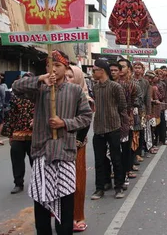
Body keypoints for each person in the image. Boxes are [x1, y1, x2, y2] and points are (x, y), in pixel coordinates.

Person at [12, 50, 92, 235]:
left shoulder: (75, 91)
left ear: (66, 68)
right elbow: (16, 87)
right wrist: (40, 79)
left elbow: (86, 117)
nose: (53, 69)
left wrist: (64, 123)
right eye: (50, 65)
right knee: (41, 201)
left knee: (65, 201)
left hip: (64, 152)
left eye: (57, 65)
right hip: (42, 152)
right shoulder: (40, 88)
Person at [91, 59, 127, 201]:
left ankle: (119, 187)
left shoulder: (115, 87)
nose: (93, 73)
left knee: (116, 158)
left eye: (94, 70)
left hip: (113, 127)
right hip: (98, 128)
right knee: (99, 160)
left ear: (102, 70)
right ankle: (100, 188)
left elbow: (122, 106)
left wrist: (115, 117)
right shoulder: (95, 87)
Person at [68, 66, 92, 233]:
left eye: (71, 76)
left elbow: (85, 121)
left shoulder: (84, 98)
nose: (68, 79)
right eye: (66, 76)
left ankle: (78, 216)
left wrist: (76, 141)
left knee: (76, 183)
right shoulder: (54, 95)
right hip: (56, 146)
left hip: (76, 146)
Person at [8, 73, 35, 195]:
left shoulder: (37, 96)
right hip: (18, 133)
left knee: (35, 161)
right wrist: (10, 134)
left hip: (34, 134)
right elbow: (11, 116)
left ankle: (37, 183)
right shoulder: (15, 97)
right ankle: (18, 183)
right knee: (17, 159)